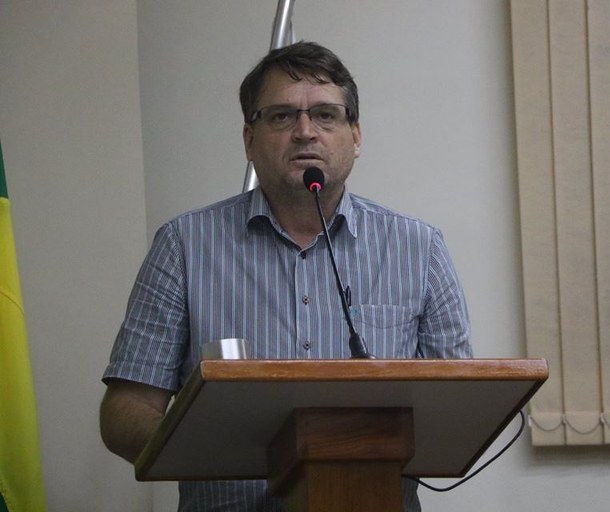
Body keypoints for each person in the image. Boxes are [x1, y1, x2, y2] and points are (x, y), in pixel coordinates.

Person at [100, 41, 472, 511]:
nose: (305, 132)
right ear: (248, 140)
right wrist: (220, 451)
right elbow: (125, 411)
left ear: (356, 136)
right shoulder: (183, 245)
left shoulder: (419, 248)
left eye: (325, 115)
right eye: (281, 116)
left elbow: (456, 409)